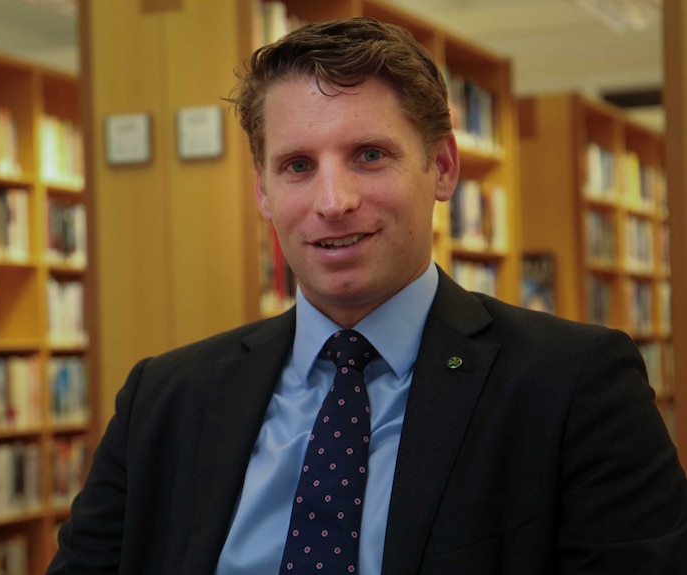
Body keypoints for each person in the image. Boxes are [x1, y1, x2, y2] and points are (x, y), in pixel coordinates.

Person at [47, 16, 687, 575]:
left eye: (369, 155)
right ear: (263, 192)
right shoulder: (163, 399)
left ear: (441, 168)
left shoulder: (574, 386)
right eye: (298, 166)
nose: (332, 202)